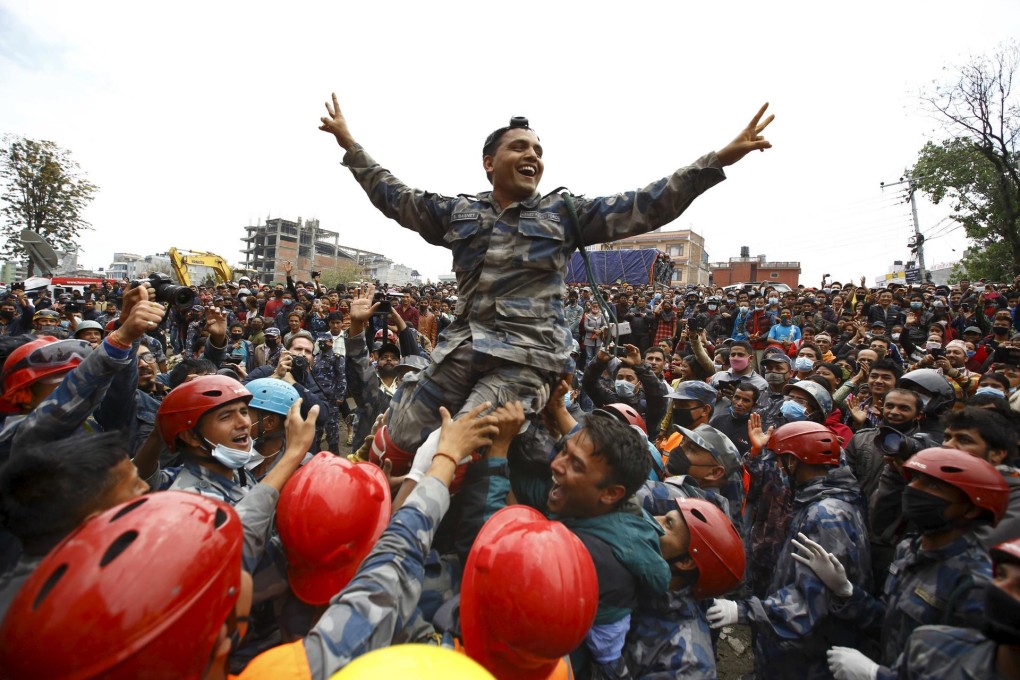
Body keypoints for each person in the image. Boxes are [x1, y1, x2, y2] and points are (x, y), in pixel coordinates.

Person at [320, 92, 773, 468]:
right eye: (519, 148)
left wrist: (718, 160)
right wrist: (349, 144)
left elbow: (649, 202)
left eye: (537, 151)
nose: (532, 156)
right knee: (398, 431)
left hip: (524, 359)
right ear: (488, 162)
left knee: (461, 447)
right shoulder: (458, 213)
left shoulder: (564, 214)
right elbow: (395, 196)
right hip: (461, 348)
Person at [794, 448, 1009, 678]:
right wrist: (846, 592)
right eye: (916, 480)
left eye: (934, 486)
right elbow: (888, 621)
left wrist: (878, 676)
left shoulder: (976, 583)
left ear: (971, 509)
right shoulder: (910, 549)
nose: (913, 490)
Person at [707, 422, 871, 680]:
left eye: (780, 462)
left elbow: (809, 602)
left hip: (808, 654)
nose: (779, 469)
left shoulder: (826, 515)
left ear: (793, 463)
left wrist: (742, 611)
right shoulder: (822, 499)